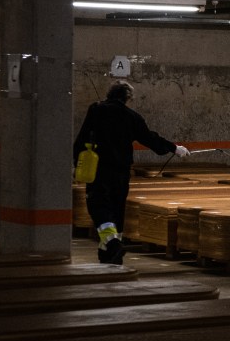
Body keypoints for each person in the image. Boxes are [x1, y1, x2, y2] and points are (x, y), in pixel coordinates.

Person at [73, 80, 190, 264]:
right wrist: (174, 148)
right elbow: (150, 138)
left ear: (109, 94)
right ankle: (111, 251)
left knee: (98, 206)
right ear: (128, 98)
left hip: (99, 170)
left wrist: (76, 164)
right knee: (117, 208)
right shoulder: (132, 117)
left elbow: (81, 138)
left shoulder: (96, 109)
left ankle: (110, 243)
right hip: (121, 173)